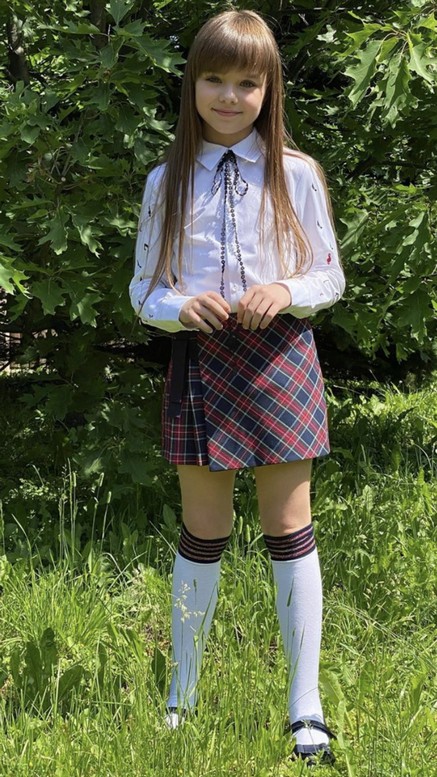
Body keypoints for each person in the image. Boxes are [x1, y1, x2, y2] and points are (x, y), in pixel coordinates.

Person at [130, 8, 345, 766]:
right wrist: (176, 307)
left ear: (268, 89)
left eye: (246, 83)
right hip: (202, 357)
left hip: (280, 353)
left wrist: (285, 289)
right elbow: (143, 287)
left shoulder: (297, 173)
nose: (228, 96)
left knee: (289, 528)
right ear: (191, 85)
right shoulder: (166, 179)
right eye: (213, 79)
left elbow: (328, 275)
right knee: (204, 530)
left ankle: (305, 706)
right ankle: (181, 696)